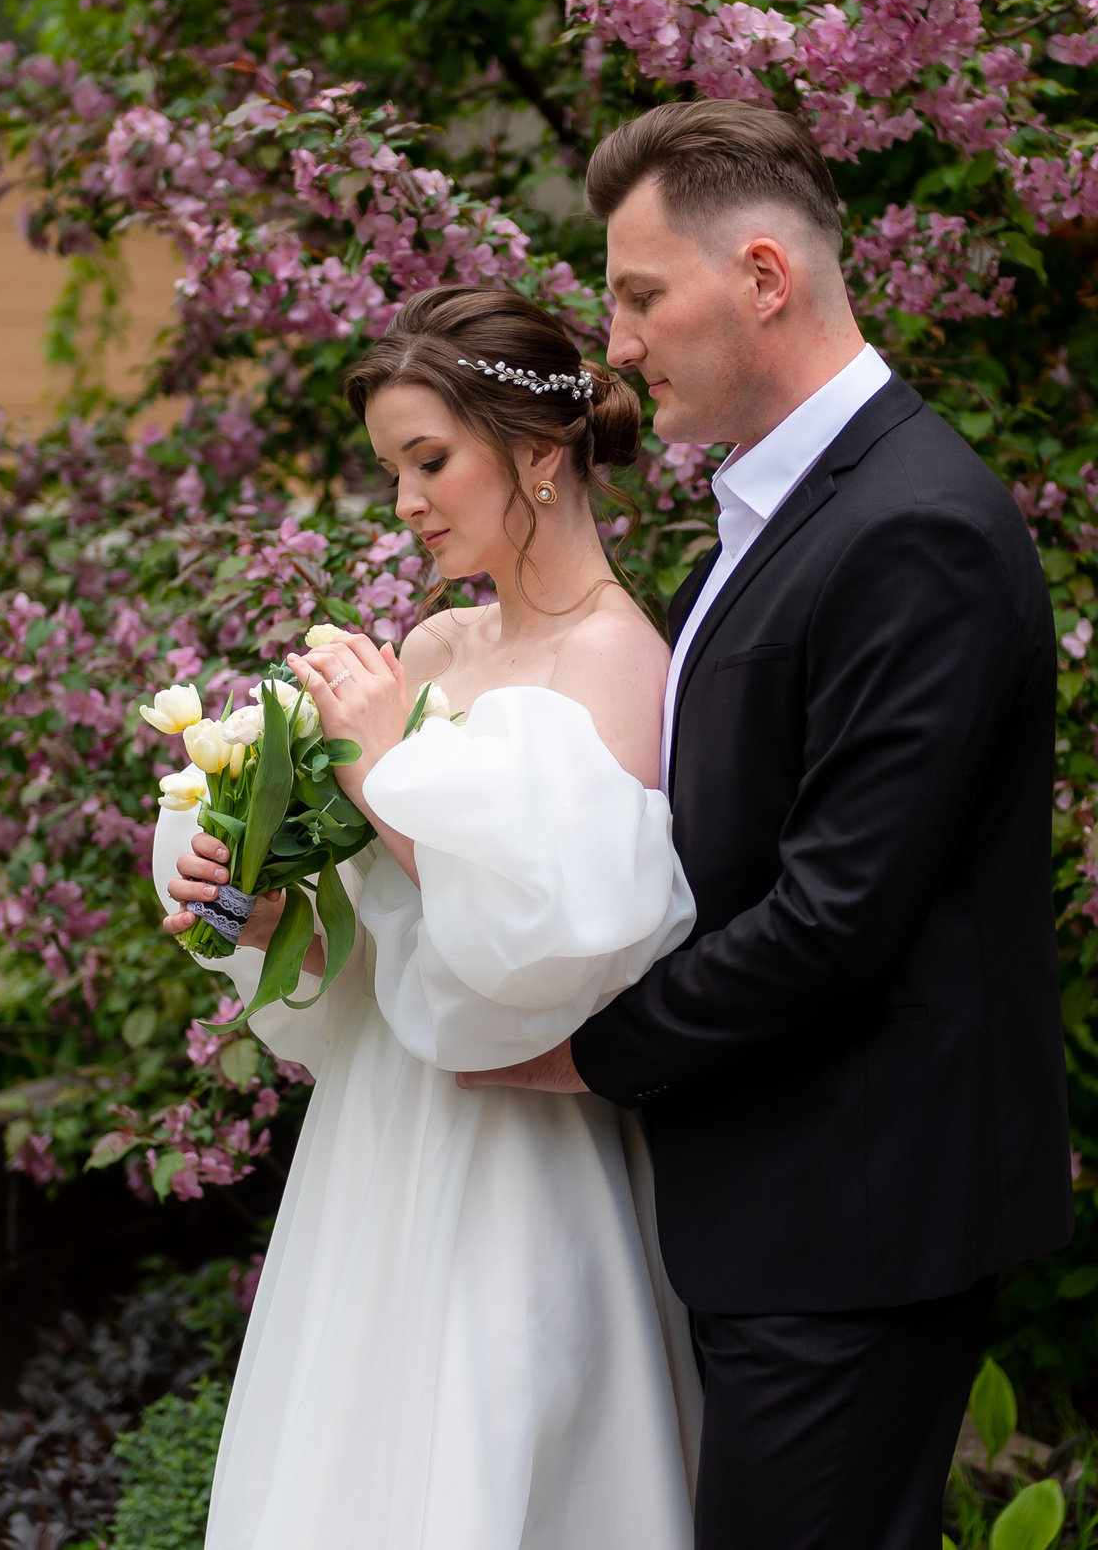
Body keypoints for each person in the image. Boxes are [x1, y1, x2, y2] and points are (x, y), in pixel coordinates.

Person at [459, 98, 1076, 1550]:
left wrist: (588, 1053)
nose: (614, 343)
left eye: (638, 294)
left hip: (854, 1220)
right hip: (789, 1208)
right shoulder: (782, 515)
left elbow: (836, 919)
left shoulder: (914, 528)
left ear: (762, 278)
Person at [157, 284, 703, 1550]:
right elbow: (367, 927)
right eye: (391, 468)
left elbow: (566, 936)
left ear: (538, 450)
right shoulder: (438, 648)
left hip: (524, 1140)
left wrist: (380, 759)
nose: (404, 500)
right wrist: (251, 898)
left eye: (428, 459)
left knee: (491, 1458)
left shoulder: (618, 661)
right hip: (384, 1129)